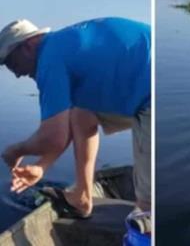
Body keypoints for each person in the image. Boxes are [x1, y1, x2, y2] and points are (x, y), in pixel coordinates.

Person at [0, 17, 151, 218]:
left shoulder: (49, 58)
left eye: (11, 62)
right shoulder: (60, 47)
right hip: (138, 78)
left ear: (27, 46)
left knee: (147, 204)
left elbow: (51, 137)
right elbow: (62, 129)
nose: (16, 74)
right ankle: (82, 196)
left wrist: (16, 151)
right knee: (82, 114)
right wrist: (41, 166)